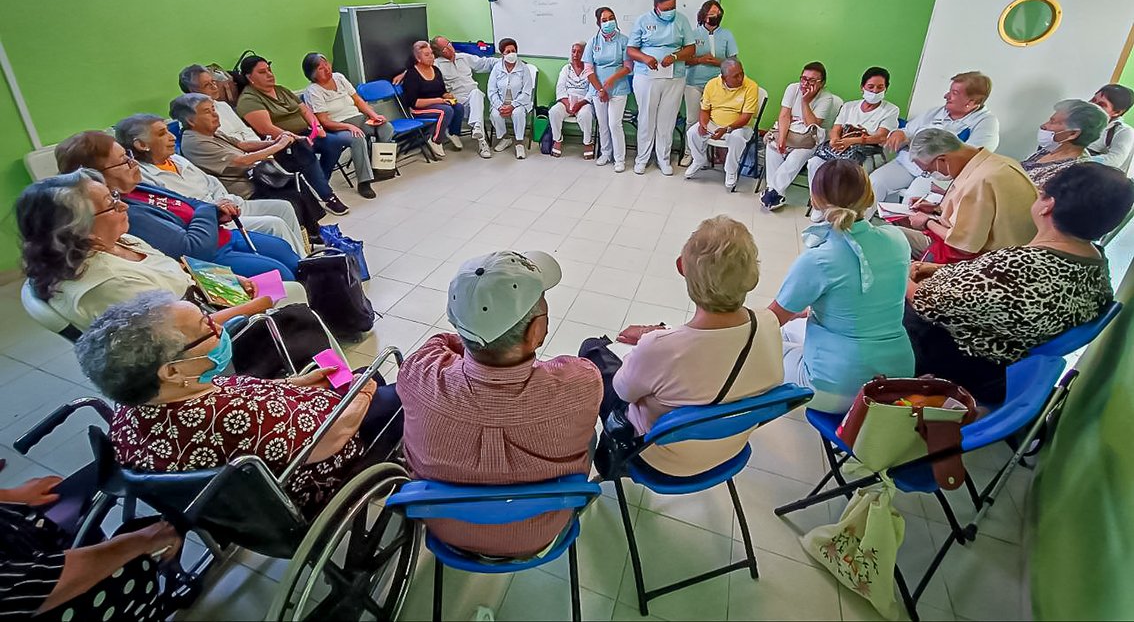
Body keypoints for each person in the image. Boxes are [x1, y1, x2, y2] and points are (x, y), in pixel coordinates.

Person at [78, 292, 403, 513]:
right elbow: (330, 439)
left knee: (355, 376)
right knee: (397, 391)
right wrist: (364, 392)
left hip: (274, 449)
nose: (219, 327)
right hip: (326, 455)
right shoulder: (234, 417)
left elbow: (236, 390)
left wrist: (295, 384)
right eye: (207, 328)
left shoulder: (132, 411)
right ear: (172, 370)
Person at [396, 251, 601, 557]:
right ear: (535, 332)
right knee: (589, 436)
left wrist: (477, 336)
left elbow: (440, 342)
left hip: (447, 530)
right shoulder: (581, 383)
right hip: (543, 532)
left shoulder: (418, 373)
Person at [904, 163, 1133, 403]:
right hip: (1001, 357)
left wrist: (902, 276)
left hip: (959, 359)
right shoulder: (1095, 265)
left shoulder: (1019, 267)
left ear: (1048, 205)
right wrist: (936, 269)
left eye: (1041, 192)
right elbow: (982, 286)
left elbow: (927, 303)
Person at [579, 216, 783, 477]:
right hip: (730, 449)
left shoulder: (659, 348)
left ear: (681, 267)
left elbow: (623, 392)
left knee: (593, 349)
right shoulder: (769, 324)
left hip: (659, 460)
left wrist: (649, 342)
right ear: (753, 278)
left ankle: (601, 453)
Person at [16, 170, 299, 330]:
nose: (123, 205)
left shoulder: (121, 241)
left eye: (115, 196)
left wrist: (229, 280)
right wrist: (258, 305)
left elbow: (178, 267)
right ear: (80, 229)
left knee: (288, 284)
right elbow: (185, 334)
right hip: (200, 347)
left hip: (203, 304)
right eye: (111, 204)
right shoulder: (108, 284)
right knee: (292, 294)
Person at [55, 131, 302, 281]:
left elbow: (189, 202)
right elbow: (192, 249)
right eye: (123, 161)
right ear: (96, 176)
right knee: (281, 274)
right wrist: (209, 210)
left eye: (129, 156)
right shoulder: (124, 211)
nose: (133, 164)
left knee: (286, 252)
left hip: (222, 236)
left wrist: (212, 210)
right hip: (210, 260)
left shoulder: (137, 188)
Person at [769, 161, 913, 413]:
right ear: (870, 197)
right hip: (896, 380)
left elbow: (771, 320)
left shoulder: (819, 259)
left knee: (766, 344)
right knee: (792, 329)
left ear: (815, 200)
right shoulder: (897, 240)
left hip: (838, 389)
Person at [120, 113, 307, 257]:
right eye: (162, 134)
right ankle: (302, 266)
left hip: (227, 204)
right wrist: (216, 209)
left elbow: (211, 182)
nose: (171, 137)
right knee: (274, 224)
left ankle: (304, 257)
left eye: (168, 131)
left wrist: (226, 199)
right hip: (211, 220)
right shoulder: (144, 177)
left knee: (283, 207)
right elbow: (179, 208)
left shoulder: (176, 159)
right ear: (141, 145)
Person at [0, 473, 181, 621]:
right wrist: (143, 541)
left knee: (70, 510)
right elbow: (36, 583)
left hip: (19, 541)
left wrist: (9, 497)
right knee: (134, 566)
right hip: (33, 592)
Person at [172, 93, 326, 240]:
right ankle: (310, 235)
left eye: (213, 109)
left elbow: (242, 145)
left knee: (296, 182)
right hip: (244, 190)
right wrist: (278, 146)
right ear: (191, 120)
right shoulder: (194, 142)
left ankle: (314, 233)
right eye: (207, 112)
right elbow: (241, 161)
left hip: (255, 179)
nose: (215, 114)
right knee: (292, 195)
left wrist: (274, 142)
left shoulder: (210, 132)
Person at [898, 128, 1037, 263]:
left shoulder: (980, 181)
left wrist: (927, 222)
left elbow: (963, 246)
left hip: (990, 258)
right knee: (899, 223)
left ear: (942, 160)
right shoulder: (999, 162)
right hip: (1018, 248)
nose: (931, 174)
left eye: (929, 171)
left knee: (892, 236)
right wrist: (937, 208)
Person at [233, 55, 351, 214]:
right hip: (281, 142)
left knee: (333, 142)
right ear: (249, 77)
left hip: (305, 134)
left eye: (269, 70)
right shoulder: (249, 100)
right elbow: (266, 128)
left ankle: (318, 183)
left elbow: (305, 110)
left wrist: (316, 126)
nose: (269, 74)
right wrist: (296, 138)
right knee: (303, 150)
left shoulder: (281, 90)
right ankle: (327, 196)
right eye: (262, 72)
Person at [870, 71, 999, 203]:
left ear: (972, 102)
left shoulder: (986, 123)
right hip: (908, 164)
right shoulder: (936, 112)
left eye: (954, 93)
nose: (946, 96)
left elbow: (974, 156)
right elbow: (908, 131)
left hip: (940, 175)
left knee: (913, 199)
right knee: (874, 182)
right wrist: (899, 134)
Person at [302, 52, 395, 199]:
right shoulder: (313, 91)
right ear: (312, 74)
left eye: (327, 64)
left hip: (358, 118)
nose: (327, 69)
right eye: (320, 68)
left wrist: (373, 115)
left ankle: (381, 168)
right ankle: (364, 182)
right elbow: (324, 121)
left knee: (386, 127)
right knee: (357, 138)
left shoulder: (339, 78)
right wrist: (348, 127)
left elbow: (357, 100)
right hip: (337, 126)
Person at [627, 0, 696, 175]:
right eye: (665, 9)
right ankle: (642, 159)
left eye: (673, 7)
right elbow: (631, 50)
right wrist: (645, 58)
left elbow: (691, 48)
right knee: (646, 118)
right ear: (655, 7)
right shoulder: (642, 20)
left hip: (674, 77)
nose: (670, 12)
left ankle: (663, 159)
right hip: (646, 77)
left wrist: (674, 56)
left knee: (667, 120)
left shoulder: (681, 20)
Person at [761, 61, 839, 211]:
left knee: (795, 158)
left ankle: (772, 192)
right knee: (773, 148)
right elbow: (784, 115)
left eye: (812, 80)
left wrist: (805, 101)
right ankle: (776, 193)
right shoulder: (792, 88)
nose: (805, 83)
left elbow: (812, 125)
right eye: (804, 78)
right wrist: (782, 139)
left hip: (808, 139)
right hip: (789, 131)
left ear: (822, 83)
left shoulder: (827, 98)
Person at [807, 66, 901, 185]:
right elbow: (836, 129)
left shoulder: (891, 110)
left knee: (844, 172)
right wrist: (835, 140)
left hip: (869, 153)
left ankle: (840, 197)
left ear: (886, 88)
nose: (875, 91)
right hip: (843, 147)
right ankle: (817, 195)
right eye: (870, 87)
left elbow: (881, 137)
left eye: (880, 87)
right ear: (862, 87)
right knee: (814, 162)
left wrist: (852, 141)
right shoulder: (849, 106)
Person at [684, 57, 761, 189]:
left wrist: (726, 129)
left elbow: (746, 116)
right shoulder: (712, 84)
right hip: (714, 123)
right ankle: (699, 160)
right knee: (692, 132)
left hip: (739, 127)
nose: (740, 78)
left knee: (737, 138)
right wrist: (703, 124)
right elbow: (705, 109)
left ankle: (731, 170)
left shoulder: (751, 86)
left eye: (741, 73)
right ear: (724, 78)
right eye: (735, 76)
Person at [681, 0, 737, 167]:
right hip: (693, 83)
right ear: (703, 14)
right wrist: (700, 60)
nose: (714, 16)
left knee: (714, 120)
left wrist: (718, 62)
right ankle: (689, 153)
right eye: (711, 13)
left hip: (717, 85)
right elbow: (684, 60)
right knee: (692, 120)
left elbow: (733, 62)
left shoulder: (727, 35)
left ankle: (707, 154)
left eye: (717, 13)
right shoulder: (693, 34)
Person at [584, 7, 633, 172]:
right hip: (598, 90)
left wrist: (612, 79)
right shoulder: (593, 42)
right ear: (598, 23)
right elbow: (589, 70)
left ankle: (619, 158)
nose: (608, 22)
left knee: (614, 124)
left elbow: (628, 67)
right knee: (603, 123)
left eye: (611, 18)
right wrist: (600, 89)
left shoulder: (623, 41)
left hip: (618, 88)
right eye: (604, 20)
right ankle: (605, 153)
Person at [1020, 99, 1108, 188]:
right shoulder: (1050, 149)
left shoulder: (1071, 172)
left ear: (1073, 133)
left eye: (1052, 122)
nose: (1044, 126)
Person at [431, 36, 495, 158]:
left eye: (449, 44)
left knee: (477, 93)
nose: (450, 48)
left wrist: (506, 61)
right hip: (457, 102)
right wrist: (403, 74)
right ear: (439, 52)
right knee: (477, 102)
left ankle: (480, 136)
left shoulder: (463, 57)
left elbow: (484, 63)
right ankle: (480, 137)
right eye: (445, 47)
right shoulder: (436, 65)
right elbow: (420, 71)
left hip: (473, 97)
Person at [399, 40, 464, 160]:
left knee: (458, 107)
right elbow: (414, 103)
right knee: (446, 111)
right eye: (427, 55)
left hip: (438, 103)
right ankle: (435, 140)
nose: (431, 57)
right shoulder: (412, 75)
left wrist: (447, 96)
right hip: (419, 108)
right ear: (418, 58)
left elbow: (442, 91)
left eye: (432, 54)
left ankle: (453, 133)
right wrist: (438, 100)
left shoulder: (436, 70)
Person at [179, 63, 262, 146]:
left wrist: (259, 147)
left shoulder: (223, 106)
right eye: (207, 85)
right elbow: (216, 145)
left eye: (213, 81)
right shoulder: (192, 119)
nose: (214, 87)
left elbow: (245, 130)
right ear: (193, 91)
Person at [487, 38, 534, 160]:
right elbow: (491, 91)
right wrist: (499, 106)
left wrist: (513, 105)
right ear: (502, 54)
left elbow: (526, 92)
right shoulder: (497, 68)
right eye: (508, 52)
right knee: (495, 114)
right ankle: (505, 138)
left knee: (518, 113)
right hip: (500, 103)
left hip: (519, 103)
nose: (511, 54)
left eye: (513, 51)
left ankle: (519, 143)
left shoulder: (524, 68)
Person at [548, 42, 595, 158]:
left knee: (586, 115)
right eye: (573, 51)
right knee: (554, 112)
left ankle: (587, 142)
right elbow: (560, 87)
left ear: (585, 54)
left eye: (579, 52)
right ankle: (557, 140)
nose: (575, 54)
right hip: (567, 101)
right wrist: (567, 103)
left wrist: (581, 103)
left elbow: (592, 90)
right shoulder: (566, 68)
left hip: (584, 102)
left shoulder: (590, 69)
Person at [1087, 83, 1134, 172]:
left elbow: (1114, 160)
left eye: (1101, 105)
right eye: (1093, 100)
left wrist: (1078, 160)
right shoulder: (1079, 121)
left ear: (1117, 112)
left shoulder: (1124, 131)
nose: (1092, 106)